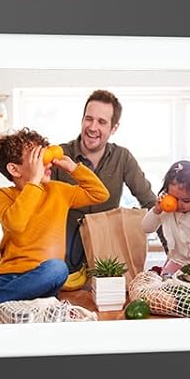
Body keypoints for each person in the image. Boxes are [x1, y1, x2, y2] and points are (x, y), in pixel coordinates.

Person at [0, 128, 107, 320]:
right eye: (36, 157)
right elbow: (16, 223)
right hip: (5, 276)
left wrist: (74, 168)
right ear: (14, 169)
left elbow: (100, 194)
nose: (46, 162)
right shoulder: (4, 195)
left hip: (42, 278)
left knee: (58, 269)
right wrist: (34, 181)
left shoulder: (58, 191)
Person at [53, 90, 157, 285]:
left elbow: (152, 204)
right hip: (62, 258)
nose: (92, 127)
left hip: (107, 259)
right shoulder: (60, 155)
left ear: (114, 127)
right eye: (88, 119)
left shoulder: (122, 158)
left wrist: (173, 254)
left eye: (101, 122)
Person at [143, 159, 190, 272]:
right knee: (166, 283)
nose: (178, 205)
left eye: (186, 200)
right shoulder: (166, 208)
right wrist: (156, 210)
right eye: (174, 198)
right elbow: (146, 228)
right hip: (177, 261)